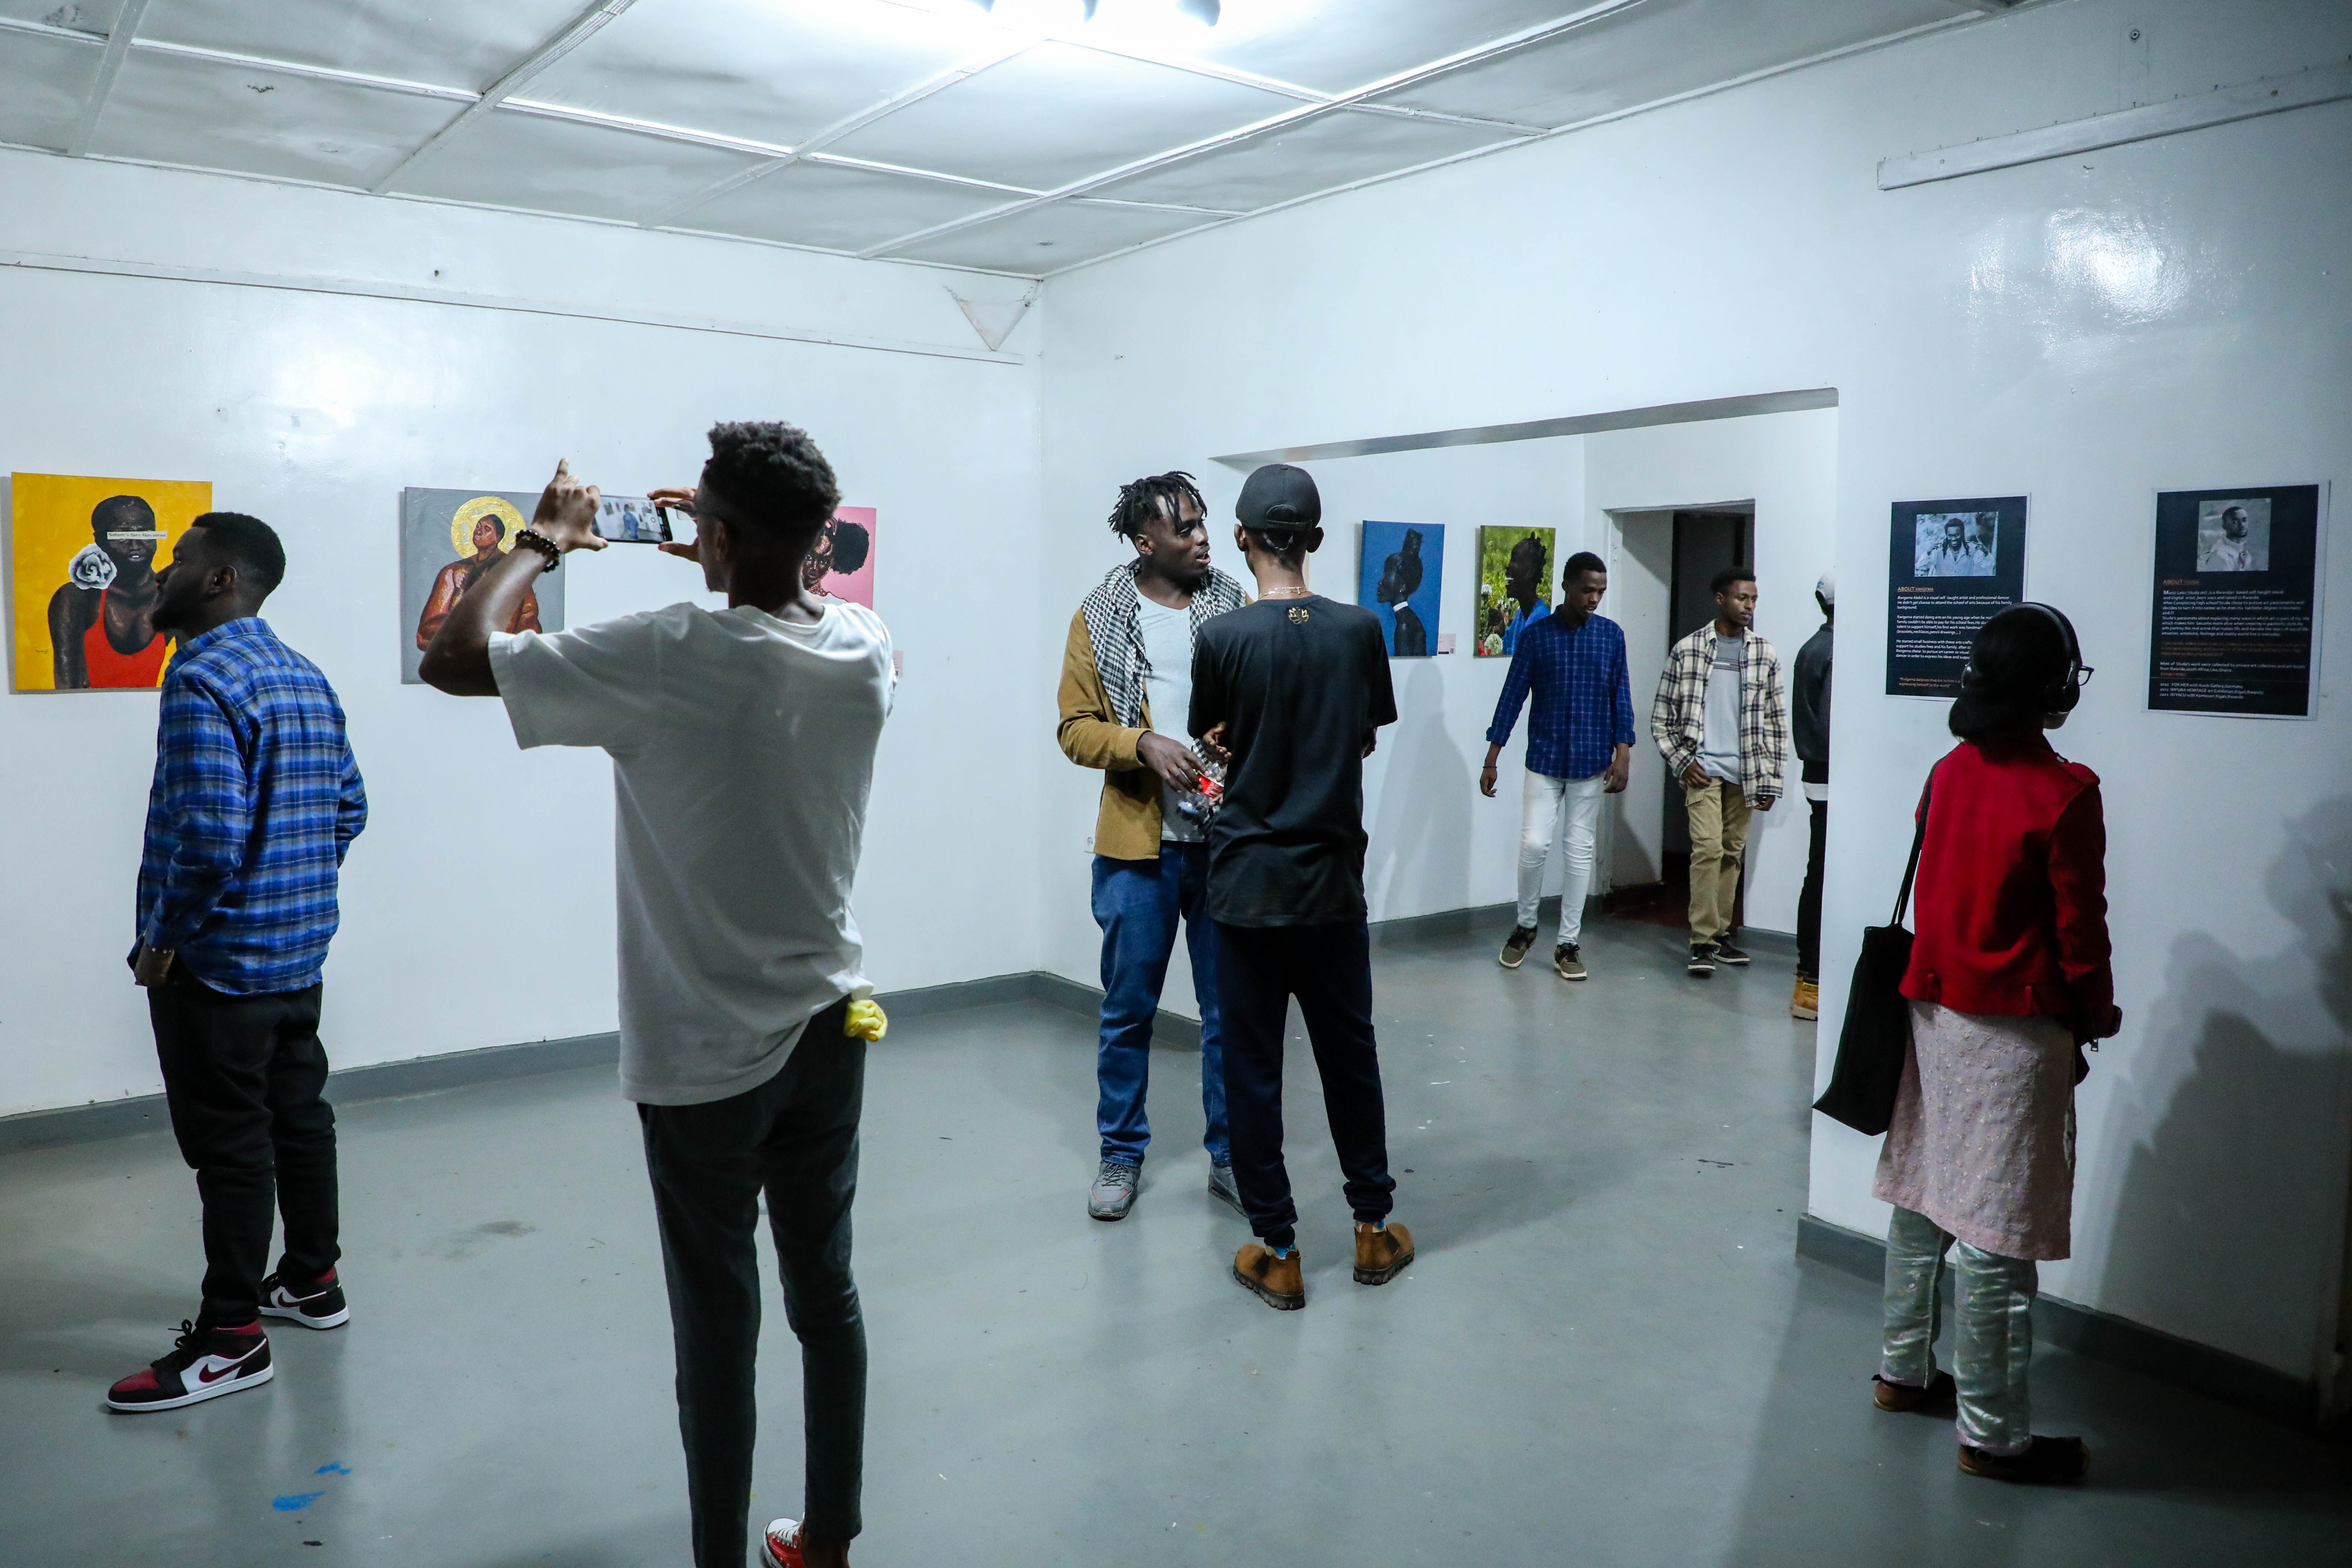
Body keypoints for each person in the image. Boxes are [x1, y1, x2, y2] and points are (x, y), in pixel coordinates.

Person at [419, 427, 892, 1568]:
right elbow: (794, 597)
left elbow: (451, 656)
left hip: (703, 1053)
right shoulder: (866, 645)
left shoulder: (667, 650)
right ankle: (826, 1536)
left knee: (715, 1326)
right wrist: (731, 556)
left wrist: (544, 536)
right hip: (832, 1025)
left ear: (717, 534)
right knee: (822, 1293)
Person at [105, 512, 368, 1414]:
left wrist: (165, 940)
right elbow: (349, 807)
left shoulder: (200, 677)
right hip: (299, 959)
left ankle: (230, 1338)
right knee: (299, 1120)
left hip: (216, 972)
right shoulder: (303, 673)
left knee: (230, 1149)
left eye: (177, 561)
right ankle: (311, 1281)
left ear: (219, 579)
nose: (163, 575)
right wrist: (289, 892)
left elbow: (211, 839)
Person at [1870, 603, 2117, 1487]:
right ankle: (1993, 1435)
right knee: (1992, 1231)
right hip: (2010, 1032)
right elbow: (2078, 934)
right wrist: (2097, 1012)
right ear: (2048, 686)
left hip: (1929, 1016)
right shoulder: (2063, 793)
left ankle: (1902, 1370)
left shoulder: (1946, 772)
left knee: (1920, 1195)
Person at [1189, 463, 1409, 1311]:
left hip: (1244, 882)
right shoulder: (1358, 631)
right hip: (1328, 885)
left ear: (1242, 540)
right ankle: (1370, 1229)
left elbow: (1217, 741)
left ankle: (1277, 1249)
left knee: (1250, 1070)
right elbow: (1360, 742)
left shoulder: (1222, 639)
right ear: (1315, 540)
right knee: (1348, 1056)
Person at [1056, 471, 1246, 1221]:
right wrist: (1142, 742)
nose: (1203, 536)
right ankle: (1121, 1152)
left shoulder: (1232, 606)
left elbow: (1261, 705)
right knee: (1128, 1009)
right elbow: (1073, 727)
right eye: (1186, 527)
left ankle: (1230, 1152)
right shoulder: (1099, 615)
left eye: (1204, 523)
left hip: (1224, 841)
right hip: (1139, 851)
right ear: (1146, 542)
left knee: (1228, 1010)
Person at [1481, 550, 1635, 981]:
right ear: (1566, 585)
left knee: (1579, 850)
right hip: (1544, 759)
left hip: (1591, 760)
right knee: (1533, 844)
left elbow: (1620, 695)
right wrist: (1492, 755)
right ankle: (1526, 925)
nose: (1594, 598)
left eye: (1601, 591)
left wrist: (1623, 752)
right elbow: (1512, 696)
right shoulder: (1536, 637)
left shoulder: (1610, 636)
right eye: (1587, 589)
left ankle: (1568, 942)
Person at [1650, 567, 1785, 976]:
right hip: (1702, 770)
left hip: (1745, 771)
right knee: (1707, 848)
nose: (1748, 606)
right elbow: (1661, 718)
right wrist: (1682, 760)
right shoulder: (1688, 649)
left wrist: (1771, 780)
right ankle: (1702, 939)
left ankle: (1721, 934)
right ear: (1719, 599)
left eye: (1754, 599)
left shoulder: (1764, 653)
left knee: (1730, 852)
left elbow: (1777, 723)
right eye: (1742, 598)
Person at [49, 493, 173, 688]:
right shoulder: (77, 597)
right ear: (99, 540)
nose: (135, 544)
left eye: (145, 533)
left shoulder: (172, 598)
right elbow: (67, 688)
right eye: (121, 535)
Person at [1791, 571, 1834, 1019]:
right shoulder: (1834, 651)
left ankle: (1810, 974)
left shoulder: (1811, 648)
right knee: (1823, 873)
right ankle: (1811, 976)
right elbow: (1829, 726)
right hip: (1830, 776)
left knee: (1817, 871)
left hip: (1815, 774)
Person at [414, 506, 542, 648]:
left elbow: (524, 628)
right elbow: (425, 631)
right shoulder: (451, 572)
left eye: (487, 529)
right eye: (478, 527)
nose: (479, 531)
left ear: (497, 538)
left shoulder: (512, 571)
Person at [1375, 528, 1428, 656]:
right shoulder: (1407, 620)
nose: (1381, 582)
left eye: (1387, 575)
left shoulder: (1404, 625)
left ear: (1403, 587)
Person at [1497, 532, 1550, 654]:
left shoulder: (1541, 621)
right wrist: (1502, 631)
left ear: (1530, 571)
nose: (1508, 566)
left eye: (1514, 560)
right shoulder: (1521, 614)